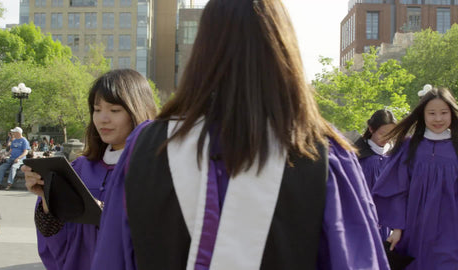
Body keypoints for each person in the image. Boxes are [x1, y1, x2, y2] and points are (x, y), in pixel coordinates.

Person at [91, 1, 390, 269]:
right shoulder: (319, 151)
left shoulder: (146, 147)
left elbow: (112, 257)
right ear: (283, 50)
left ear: (202, 51)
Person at [21, 69, 157, 270]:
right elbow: (56, 238)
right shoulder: (80, 168)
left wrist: (106, 211)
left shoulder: (156, 170)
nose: (103, 119)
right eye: (97, 109)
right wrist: (48, 197)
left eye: (114, 110)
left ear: (137, 110)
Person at [373, 86, 458, 269]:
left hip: (451, 228)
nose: (438, 118)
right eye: (432, 113)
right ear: (423, 115)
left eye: (443, 112)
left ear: (451, 113)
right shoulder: (410, 148)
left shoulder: (456, 148)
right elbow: (398, 190)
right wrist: (397, 228)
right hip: (415, 228)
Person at [354, 109, 396, 240]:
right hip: (363, 218)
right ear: (371, 129)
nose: (386, 138)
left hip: (387, 221)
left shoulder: (394, 155)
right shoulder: (357, 155)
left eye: (391, 134)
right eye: (382, 133)